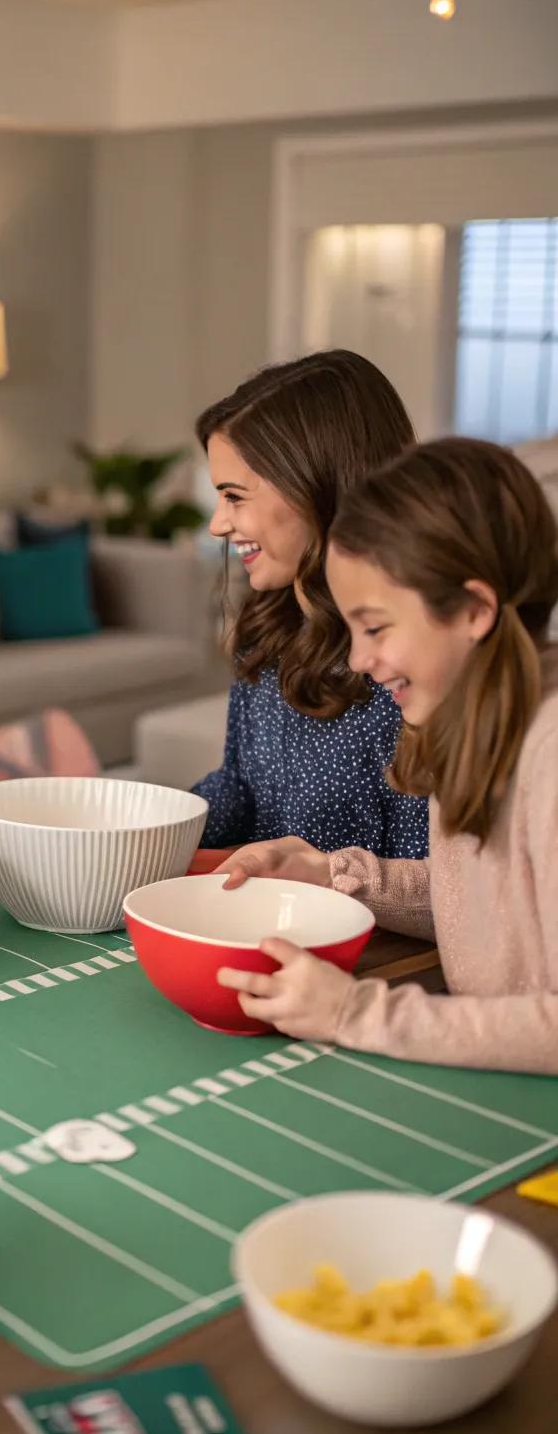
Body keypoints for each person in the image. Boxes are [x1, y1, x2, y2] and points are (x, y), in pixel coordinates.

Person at [218, 437, 558, 1075]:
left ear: (475, 610)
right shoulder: (467, 723)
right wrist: (336, 875)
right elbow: (486, 908)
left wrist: (357, 1012)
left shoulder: (550, 751)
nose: (358, 659)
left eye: (375, 628)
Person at [191, 350, 428, 860]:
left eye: (234, 496)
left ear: (314, 486)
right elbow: (238, 786)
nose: (217, 524)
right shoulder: (266, 625)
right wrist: (145, 825)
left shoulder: (410, 664)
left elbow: (432, 875)